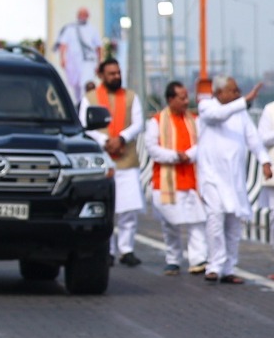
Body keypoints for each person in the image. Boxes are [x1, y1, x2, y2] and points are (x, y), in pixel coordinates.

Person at [196, 76, 272, 283]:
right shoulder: (207, 106)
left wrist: (265, 161)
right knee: (215, 218)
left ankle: (228, 268)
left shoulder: (240, 113)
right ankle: (214, 265)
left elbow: (253, 139)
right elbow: (218, 115)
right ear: (219, 93)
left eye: (238, 91)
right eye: (233, 90)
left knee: (233, 225)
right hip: (211, 177)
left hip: (234, 178)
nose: (237, 94)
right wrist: (245, 101)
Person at [145, 81, 207, 276]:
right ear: (170, 99)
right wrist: (175, 156)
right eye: (182, 98)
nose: (186, 101)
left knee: (197, 221)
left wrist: (188, 155)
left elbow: (203, 143)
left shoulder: (194, 120)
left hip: (191, 179)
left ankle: (198, 259)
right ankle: (173, 260)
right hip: (167, 181)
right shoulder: (156, 121)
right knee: (170, 223)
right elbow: (152, 148)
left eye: (186, 97)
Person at [90, 56, 143, 267]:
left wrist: (121, 138)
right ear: (102, 75)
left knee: (129, 208)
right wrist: (105, 141)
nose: (116, 76)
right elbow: (85, 125)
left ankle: (126, 249)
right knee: (106, 208)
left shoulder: (131, 96)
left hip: (126, 158)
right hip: (102, 160)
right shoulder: (90, 98)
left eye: (118, 73)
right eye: (111, 73)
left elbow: (138, 123)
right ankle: (108, 250)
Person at [55, 6, 101, 109]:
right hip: (73, 63)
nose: (83, 16)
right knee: (75, 87)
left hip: (88, 61)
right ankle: (78, 106)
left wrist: (99, 62)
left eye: (84, 14)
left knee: (86, 84)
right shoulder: (70, 29)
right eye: (81, 14)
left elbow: (98, 47)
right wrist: (62, 58)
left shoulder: (92, 30)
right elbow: (63, 45)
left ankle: (87, 105)